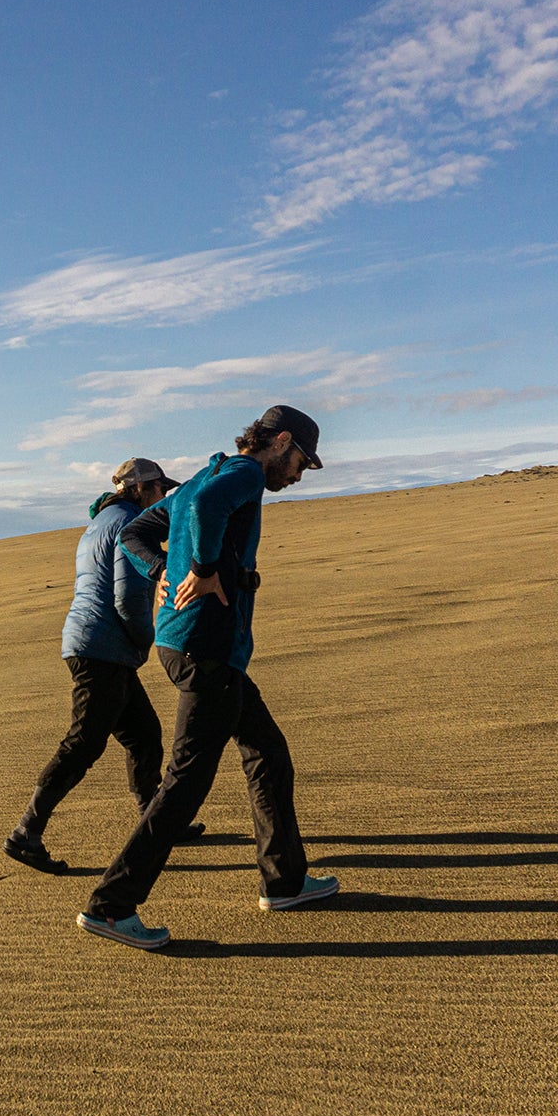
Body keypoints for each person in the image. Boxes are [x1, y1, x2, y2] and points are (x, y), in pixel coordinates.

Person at [74, 405, 333, 950]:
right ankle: (111, 906)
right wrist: (202, 570)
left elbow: (137, 532)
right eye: (301, 461)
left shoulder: (204, 475)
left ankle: (284, 881)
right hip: (206, 648)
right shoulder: (238, 476)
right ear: (280, 441)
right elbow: (207, 512)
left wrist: (159, 569)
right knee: (186, 782)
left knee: (267, 751)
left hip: (190, 645)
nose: (299, 473)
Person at [4, 459, 200, 873]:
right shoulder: (128, 523)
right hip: (102, 647)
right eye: (160, 489)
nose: (163, 497)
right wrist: (149, 640)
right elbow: (128, 597)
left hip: (94, 643)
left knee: (144, 734)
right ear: (142, 488)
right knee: (84, 742)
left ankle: (156, 820)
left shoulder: (98, 522)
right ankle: (27, 832)